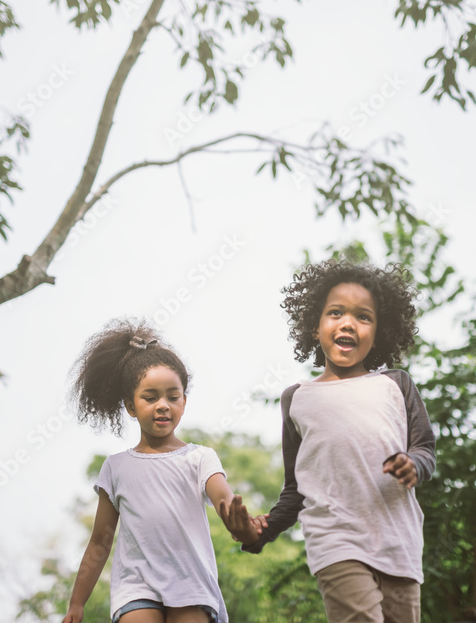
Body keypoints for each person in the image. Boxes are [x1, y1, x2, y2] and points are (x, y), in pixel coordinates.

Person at [222, 260, 437, 623]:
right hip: (336, 543)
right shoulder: (298, 398)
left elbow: (425, 450)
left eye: (363, 317)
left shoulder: (396, 385)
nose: (348, 323)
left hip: (400, 546)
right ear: (314, 325)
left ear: (380, 331)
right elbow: (296, 490)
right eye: (335, 312)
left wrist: (413, 464)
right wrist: (260, 533)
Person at [62, 320, 247, 623]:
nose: (163, 405)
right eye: (150, 398)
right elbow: (100, 541)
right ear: (131, 406)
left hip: (191, 585)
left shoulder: (201, 458)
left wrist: (238, 520)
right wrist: (76, 603)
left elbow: (222, 496)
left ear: (183, 403)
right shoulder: (116, 467)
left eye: (172, 397)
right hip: (135, 588)